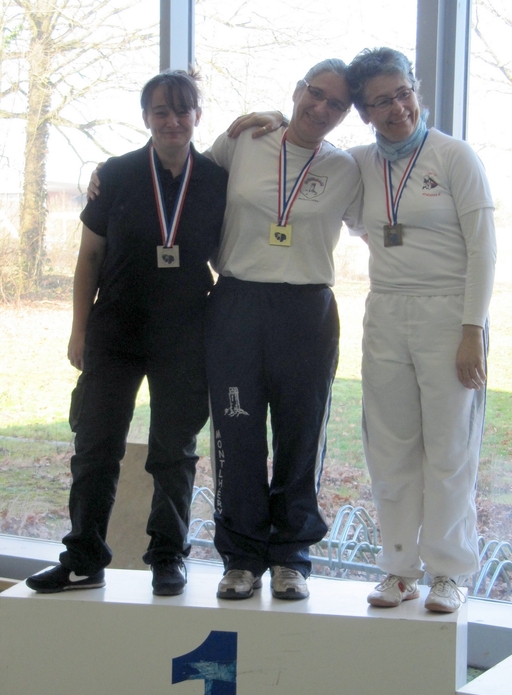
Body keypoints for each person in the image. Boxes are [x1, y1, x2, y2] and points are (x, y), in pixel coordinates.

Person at [26, 70, 228, 596]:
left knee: (174, 451)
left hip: (184, 332)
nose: (172, 120)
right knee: (95, 447)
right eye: (160, 111)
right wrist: (78, 331)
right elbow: (89, 257)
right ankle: (83, 559)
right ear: (145, 118)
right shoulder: (115, 174)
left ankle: (168, 556)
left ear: (197, 116)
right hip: (115, 329)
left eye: (182, 110)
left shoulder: (215, 180)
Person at [343, 48, 496, 612]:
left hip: (450, 315)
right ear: (364, 111)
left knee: (450, 450)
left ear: (417, 90)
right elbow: (305, 158)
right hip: (386, 312)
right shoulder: (358, 163)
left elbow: (484, 249)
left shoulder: (454, 156)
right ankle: (399, 568)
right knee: (390, 449)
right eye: (380, 101)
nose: (397, 108)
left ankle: (449, 572)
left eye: (403, 93)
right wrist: (262, 121)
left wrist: (471, 330)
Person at [205, 59, 362, 601]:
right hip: (238, 303)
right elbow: (185, 183)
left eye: (337, 104)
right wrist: (106, 180)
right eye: (315, 93)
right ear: (297, 90)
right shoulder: (245, 141)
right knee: (237, 433)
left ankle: (291, 557)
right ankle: (242, 557)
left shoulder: (347, 168)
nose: (321, 108)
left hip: (306, 312)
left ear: (347, 114)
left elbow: (387, 222)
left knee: (301, 434)